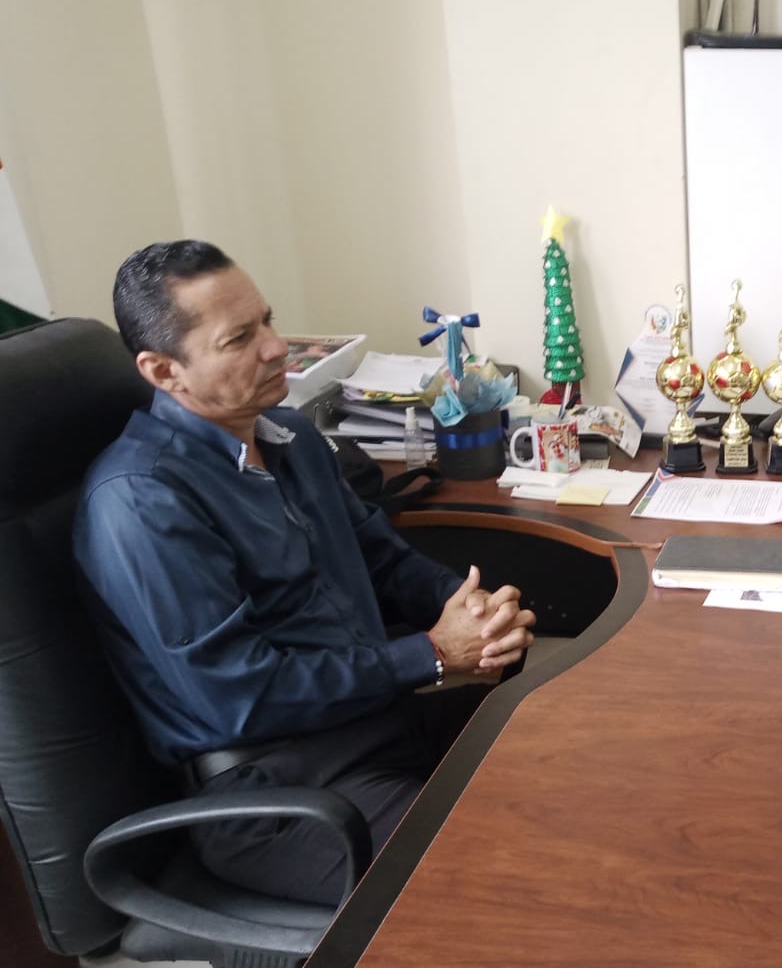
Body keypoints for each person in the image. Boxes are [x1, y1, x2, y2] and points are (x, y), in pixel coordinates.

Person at [74, 240, 536, 906]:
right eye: (239, 338)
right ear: (163, 370)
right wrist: (434, 654)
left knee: (577, 744)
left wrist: (474, 612)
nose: (275, 348)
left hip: (379, 724)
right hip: (281, 790)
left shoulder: (291, 437)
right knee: (512, 881)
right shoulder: (141, 501)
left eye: (267, 320)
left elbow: (383, 559)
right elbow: (241, 695)